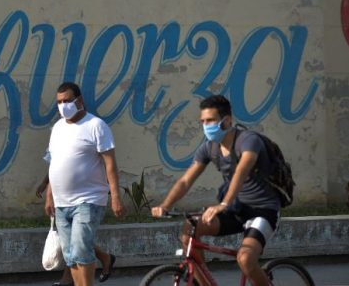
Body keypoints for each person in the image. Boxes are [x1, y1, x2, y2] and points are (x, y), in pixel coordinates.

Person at [151, 95, 282, 286]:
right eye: (203, 121)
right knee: (190, 229)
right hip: (237, 211)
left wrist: (223, 204)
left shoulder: (248, 141)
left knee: (245, 259)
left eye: (210, 120)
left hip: (263, 211)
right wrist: (165, 204)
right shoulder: (209, 148)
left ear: (227, 120)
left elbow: (241, 172)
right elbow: (186, 180)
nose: (206, 125)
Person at [44, 82, 125, 286]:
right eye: (59, 102)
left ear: (79, 101)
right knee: (70, 255)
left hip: (88, 200)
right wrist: (49, 195)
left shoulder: (96, 125)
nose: (63, 106)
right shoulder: (58, 127)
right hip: (62, 203)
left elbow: (110, 164)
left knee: (81, 250)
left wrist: (115, 196)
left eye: (67, 101)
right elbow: (54, 163)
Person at [36, 175, 116, 284]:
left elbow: (107, 162)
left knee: (80, 244)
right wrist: (46, 187)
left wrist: (113, 191)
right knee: (71, 245)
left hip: (87, 198)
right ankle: (103, 258)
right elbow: (54, 163)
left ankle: (69, 278)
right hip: (63, 200)